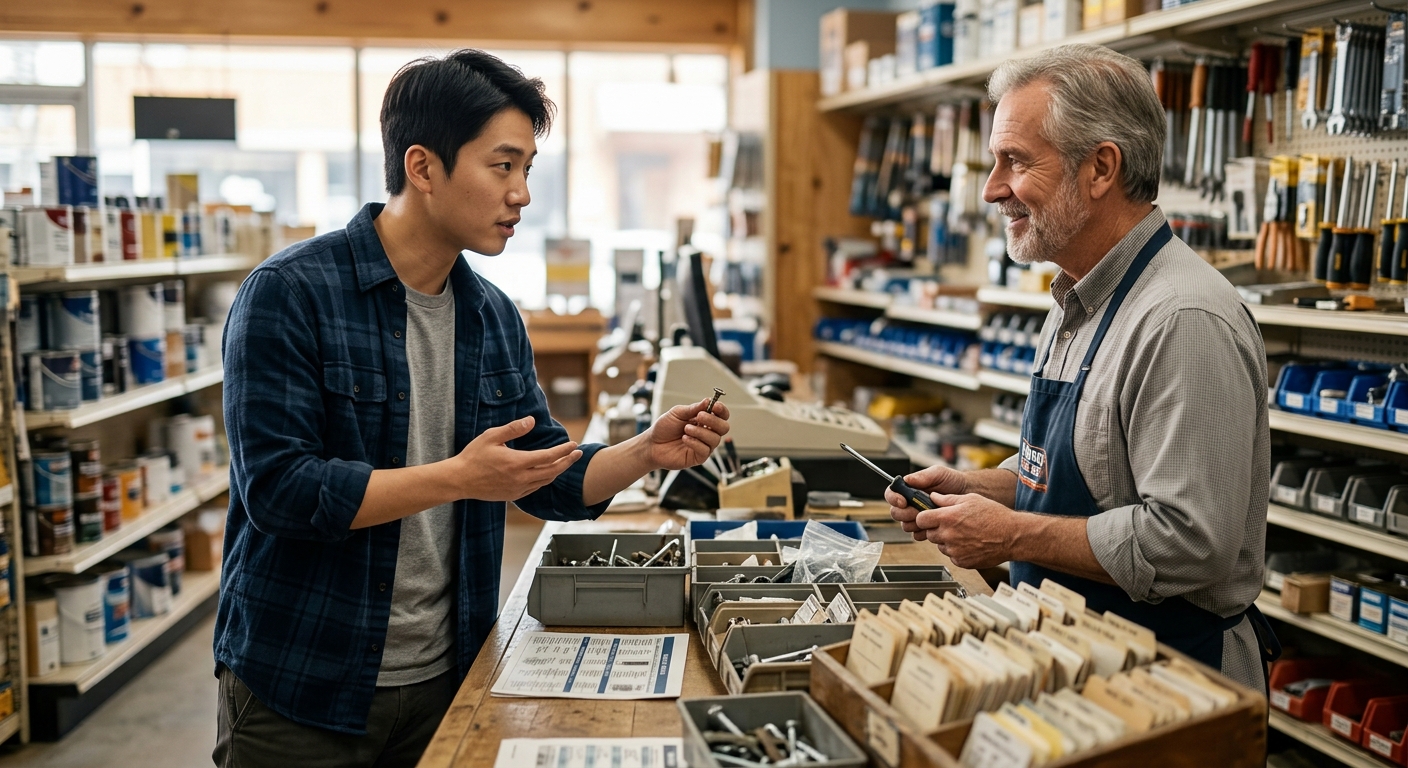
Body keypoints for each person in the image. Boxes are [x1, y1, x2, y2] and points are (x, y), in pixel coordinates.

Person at [212, 49, 731, 767]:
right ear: (423, 168)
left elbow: (544, 476)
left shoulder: (491, 315)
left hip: (447, 677)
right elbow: (280, 492)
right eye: (502, 166)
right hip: (303, 683)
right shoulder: (289, 293)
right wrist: (458, 478)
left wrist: (645, 451)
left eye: (528, 169)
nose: (522, 194)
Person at [888, 44, 1277, 691]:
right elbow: (1088, 477)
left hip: (1171, 676)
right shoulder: (1077, 295)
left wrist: (1012, 535)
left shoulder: (1182, 318)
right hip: (1078, 658)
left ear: (1100, 168)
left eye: (1016, 161)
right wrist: (977, 488)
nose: (992, 189)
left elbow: (1189, 544)